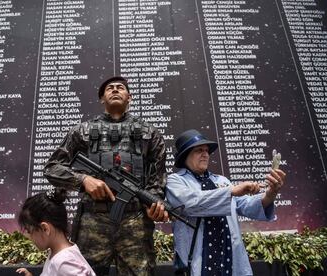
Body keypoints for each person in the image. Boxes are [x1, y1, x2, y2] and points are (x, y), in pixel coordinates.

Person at [43, 76, 169, 275]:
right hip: (92, 221)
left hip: (134, 222)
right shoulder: (82, 131)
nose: (115, 90)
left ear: (130, 97)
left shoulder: (150, 134)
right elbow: (52, 168)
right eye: (109, 88)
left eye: (121, 88)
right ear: (102, 98)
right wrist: (83, 180)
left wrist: (154, 204)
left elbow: (157, 179)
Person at [166, 129, 286, 276]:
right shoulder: (175, 181)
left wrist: (271, 193)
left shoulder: (222, 181)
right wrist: (231, 192)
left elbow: (246, 205)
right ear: (185, 155)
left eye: (206, 150)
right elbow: (190, 203)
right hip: (198, 263)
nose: (205, 154)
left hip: (229, 259)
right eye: (199, 150)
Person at [15, 188, 96, 276]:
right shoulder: (57, 253)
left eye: (29, 231)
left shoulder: (65, 263)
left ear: (45, 229)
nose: (28, 237)